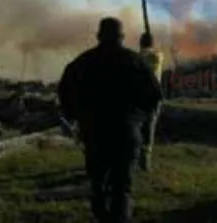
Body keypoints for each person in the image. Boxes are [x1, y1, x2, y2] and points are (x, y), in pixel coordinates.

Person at [57, 17, 162, 223]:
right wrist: (137, 119)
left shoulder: (81, 63)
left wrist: (76, 117)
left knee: (99, 186)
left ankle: (103, 215)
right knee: (122, 189)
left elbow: (65, 93)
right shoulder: (136, 61)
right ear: (122, 37)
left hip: (94, 133)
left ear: (98, 36)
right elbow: (154, 96)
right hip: (126, 132)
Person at [137, 32, 165, 172]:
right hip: (153, 97)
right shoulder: (157, 56)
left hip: (137, 97)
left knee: (137, 128)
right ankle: (145, 162)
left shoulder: (136, 57)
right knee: (149, 129)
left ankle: (134, 159)